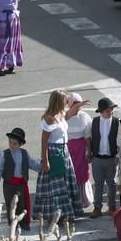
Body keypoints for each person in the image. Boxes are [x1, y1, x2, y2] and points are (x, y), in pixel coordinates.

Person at [33, 90, 87, 222]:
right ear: (58, 101)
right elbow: (44, 141)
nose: (67, 102)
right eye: (65, 100)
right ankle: (55, 215)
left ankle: (66, 214)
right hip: (54, 152)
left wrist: (79, 105)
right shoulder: (50, 118)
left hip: (64, 150)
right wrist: (45, 161)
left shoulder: (61, 114)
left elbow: (68, 114)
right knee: (56, 187)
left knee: (66, 184)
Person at [0, 127, 40, 230]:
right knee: (10, 204)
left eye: (14, 143)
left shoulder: (24, 153)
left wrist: (41, 168)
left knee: (21, 204)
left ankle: (23, 223)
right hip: (9, 184)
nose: (11, 145)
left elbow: (31, 164)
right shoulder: (4, 154)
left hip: (20, 184)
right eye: (10, 142)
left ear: (20, 144)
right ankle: (12, 224)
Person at [64, 93, 92, 210]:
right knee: (70, 175)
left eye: (79, 105)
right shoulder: (65, 116)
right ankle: (70, 202)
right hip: (68, 151)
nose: (78, 107)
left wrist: (89, 151)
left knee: (81, 174)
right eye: (75, 104)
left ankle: (82, 200)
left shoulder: (85, 117)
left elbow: (87, 137)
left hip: (81, 151)